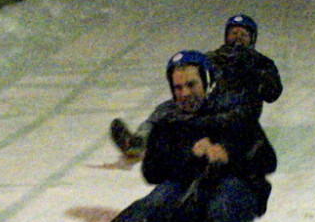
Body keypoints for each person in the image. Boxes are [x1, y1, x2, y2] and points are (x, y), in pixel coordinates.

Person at [33, 50, 277, 222]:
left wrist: (229, 153)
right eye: (178, 87)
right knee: (147, 207)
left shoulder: (235, 112)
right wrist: (189, 153)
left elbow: (267, 159)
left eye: (191, 85)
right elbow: (152, 171)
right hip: (186, 190)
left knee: (227, 199)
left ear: (207, 81)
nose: (184, 93)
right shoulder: (169, 118)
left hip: (235, 184)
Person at [111, 14, 282, 159]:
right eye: (234, 33)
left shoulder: (262, 63)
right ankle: (139, 141)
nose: (237, 38)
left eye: (243, 35)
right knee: (168, 108)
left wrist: (254, 72)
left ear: (251, 39)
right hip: (210, 104)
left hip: (239, 111)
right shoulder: (213, 57)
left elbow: (272, 94)